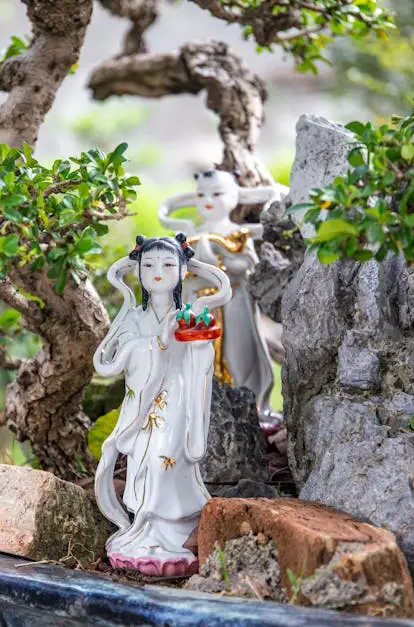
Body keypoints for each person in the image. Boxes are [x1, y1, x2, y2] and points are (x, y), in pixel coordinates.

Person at [93, 233, 231, 577]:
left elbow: (199, 353)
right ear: (138, 271)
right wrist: (156, 342)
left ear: (183, 271)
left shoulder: (186, 312)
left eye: (168, 264)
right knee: (142, 462)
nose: (158, 272)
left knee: (165, 461)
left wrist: (195, 342)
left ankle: (176, 533)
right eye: (150, 265)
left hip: (177, 399)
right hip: (142, 403)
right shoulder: (133, 317)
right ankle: (144, 529)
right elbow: (116, 359)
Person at [158, 168, 285, 429]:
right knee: (194, 356)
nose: (209, 200)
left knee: (238, 353)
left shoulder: (236, 234)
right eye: (202, 194)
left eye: (217, 193)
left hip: (233, 301)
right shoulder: (188, 237)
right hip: (197, 303)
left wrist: (222, 263)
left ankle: (248, 406)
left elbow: (248, 266)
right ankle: (199, 408)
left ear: (235, 196)